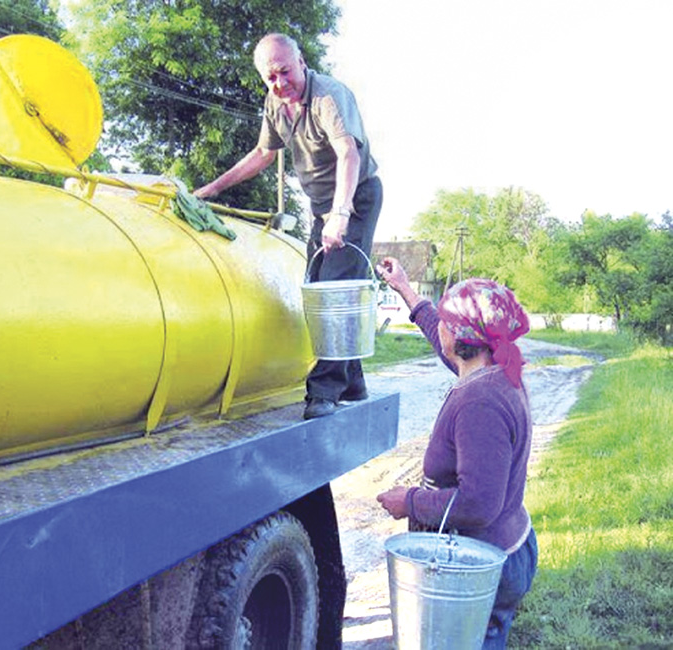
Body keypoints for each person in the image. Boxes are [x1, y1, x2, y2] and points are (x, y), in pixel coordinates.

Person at [194, 33, 383, 421]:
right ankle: (353, 382)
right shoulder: (276, 103)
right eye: (270, 77)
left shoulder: (328, 96)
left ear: (300, 61)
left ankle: (324, 392)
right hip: (321, 206)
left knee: (334, 287)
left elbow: (348, 153)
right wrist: (212, 188)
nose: (280, 83)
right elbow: (263, 153)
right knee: (317, 286)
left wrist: (341, 213)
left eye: (284, 72)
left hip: (355, 198)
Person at [375, 257, 538, 649]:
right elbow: (441, 337)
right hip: (504, 547)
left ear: (461, 337)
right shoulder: (493, 369)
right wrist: (407, 290)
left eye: (446, 322)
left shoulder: (480, 403)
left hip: (484, 566)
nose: (441, 329)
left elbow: (478, 503)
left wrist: (410, 502)